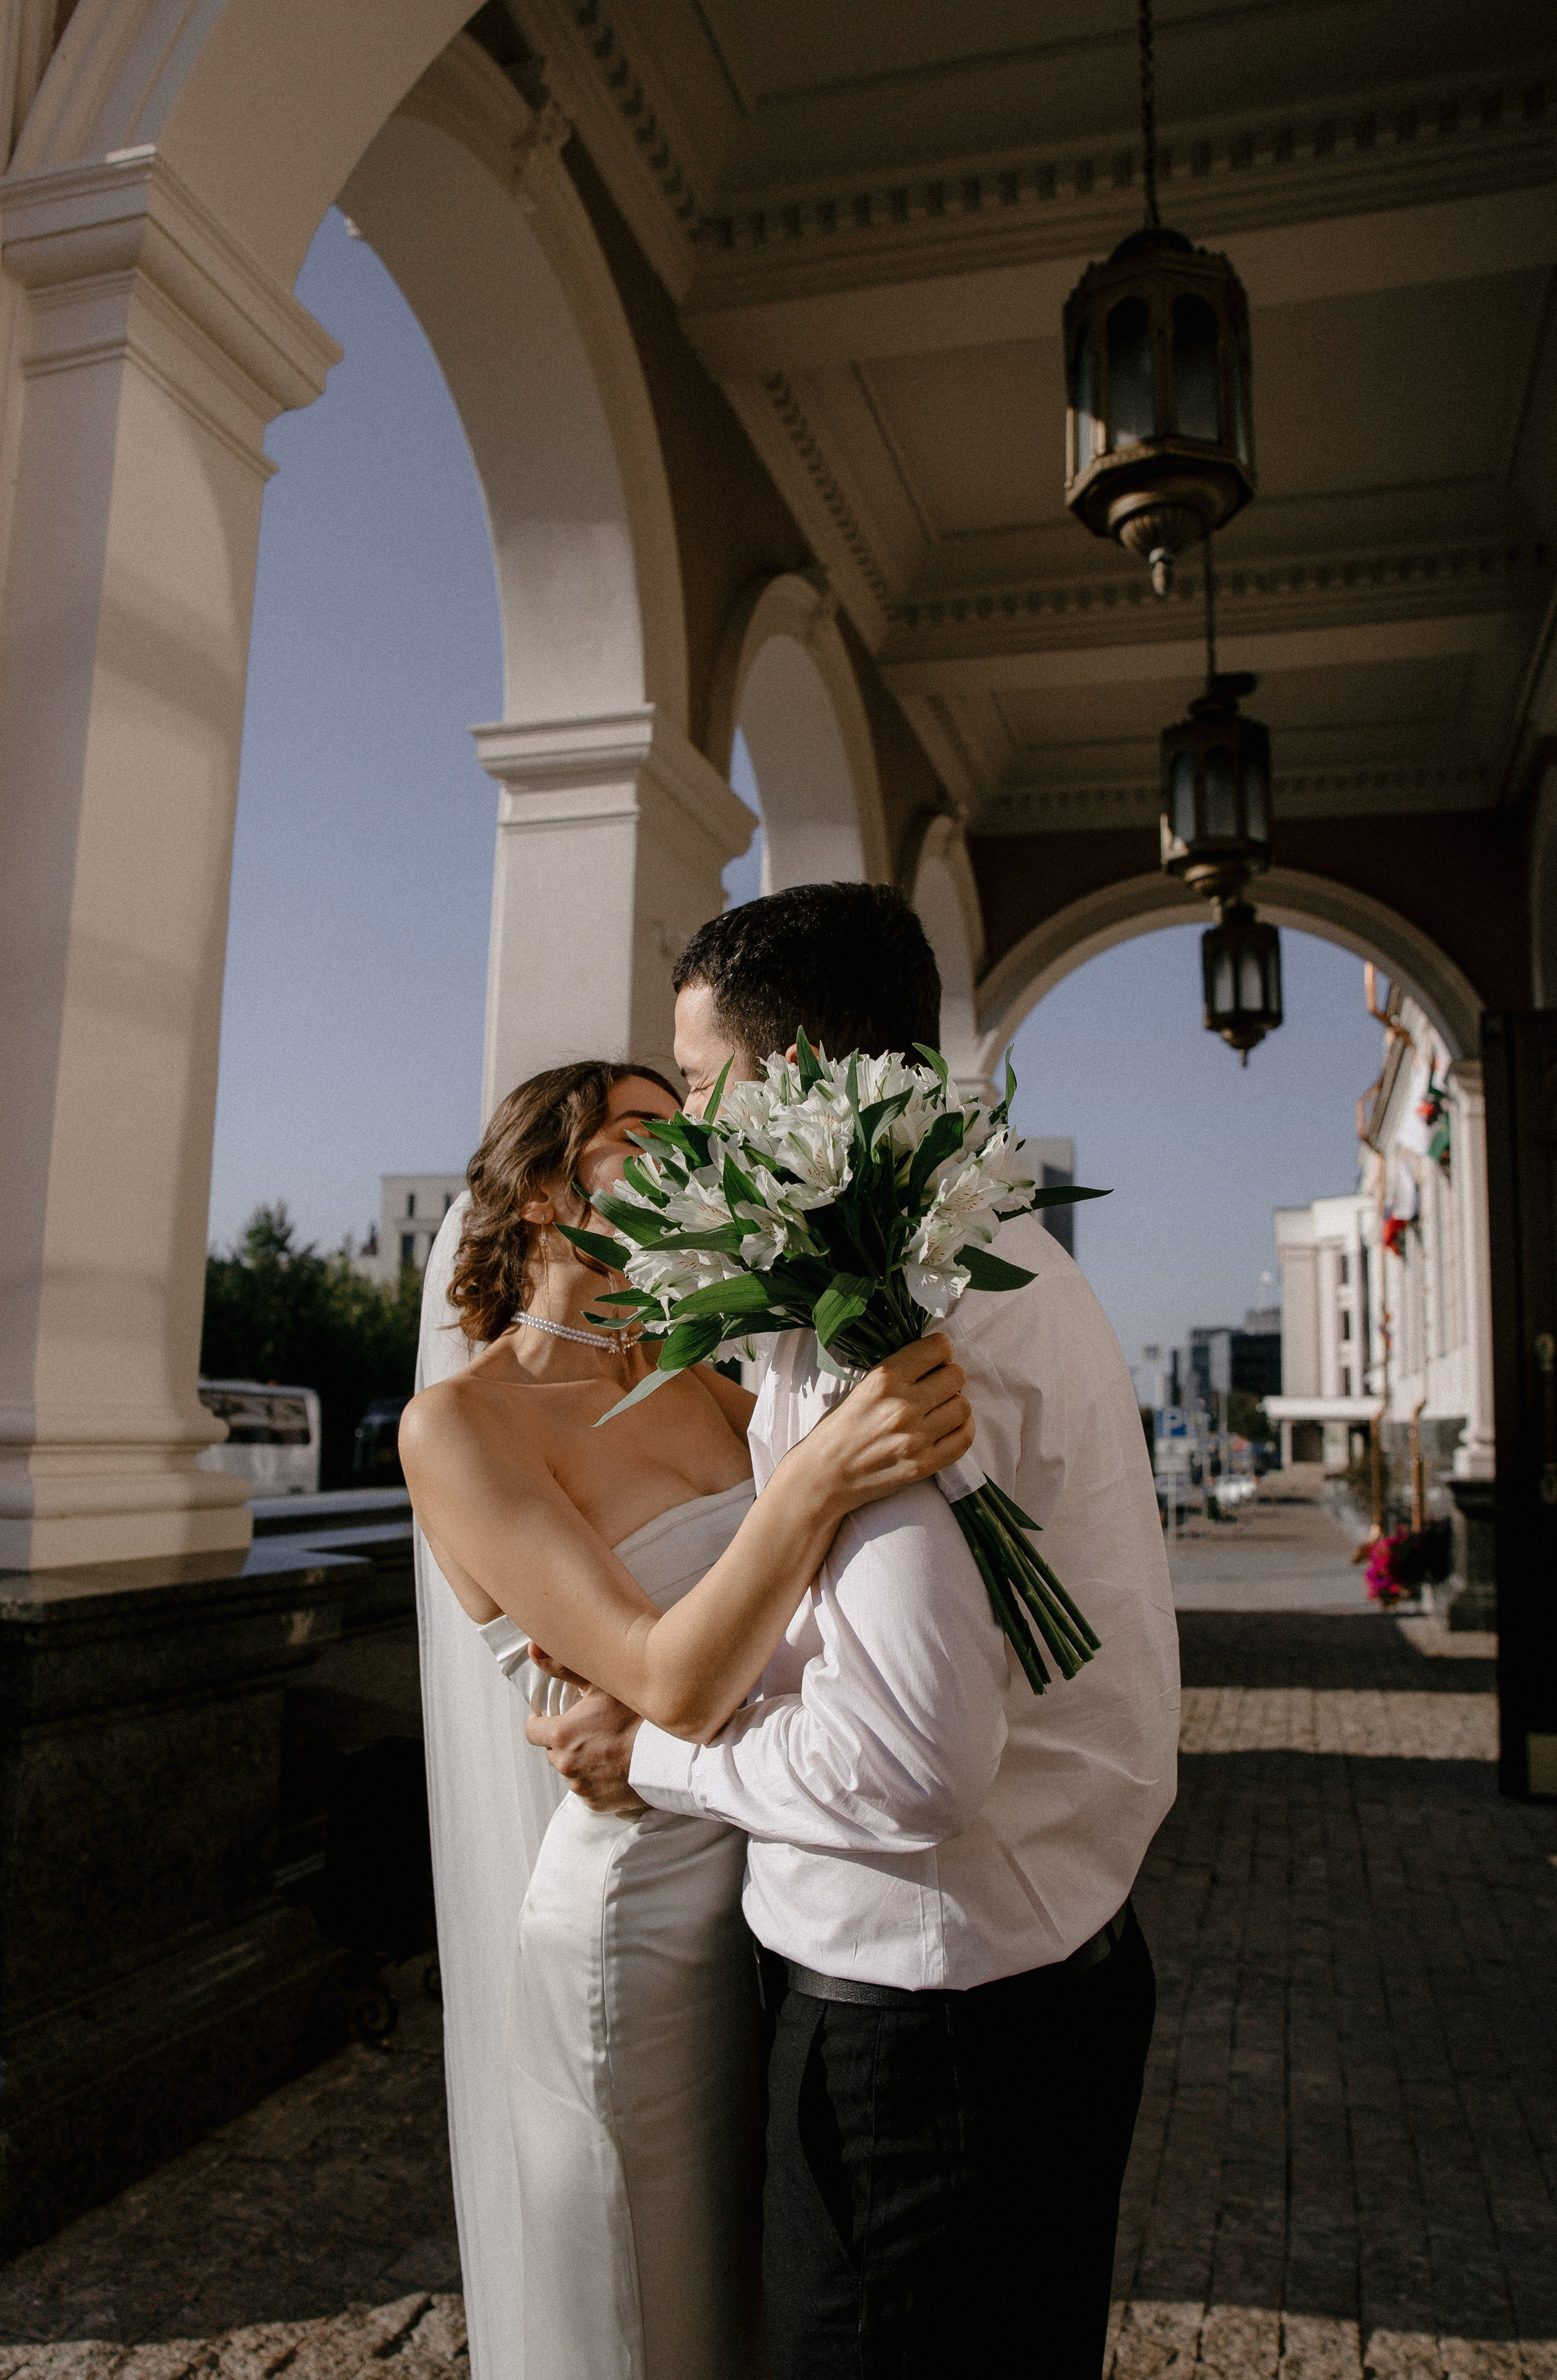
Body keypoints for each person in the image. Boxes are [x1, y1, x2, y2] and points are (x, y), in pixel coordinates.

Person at [529, 884, 1182, 2378]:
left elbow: (913, 1761)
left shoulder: (871, 1313)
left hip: (926, 2036)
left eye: (697, 1084)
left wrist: (664, 1760)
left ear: (794, 1075)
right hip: (1060, 1969)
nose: (686, 1128)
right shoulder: (1015, 1252)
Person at [398, 1056, 974, 2380]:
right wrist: (817, 1477)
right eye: (640, 1135)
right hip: (641, 1918)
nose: (684, 1156)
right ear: (543, 1188)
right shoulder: (462, 1423)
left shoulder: (707, 1378)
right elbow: (667, 1680)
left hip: (774, 1877)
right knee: (653, 2305)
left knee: (764, 2287)